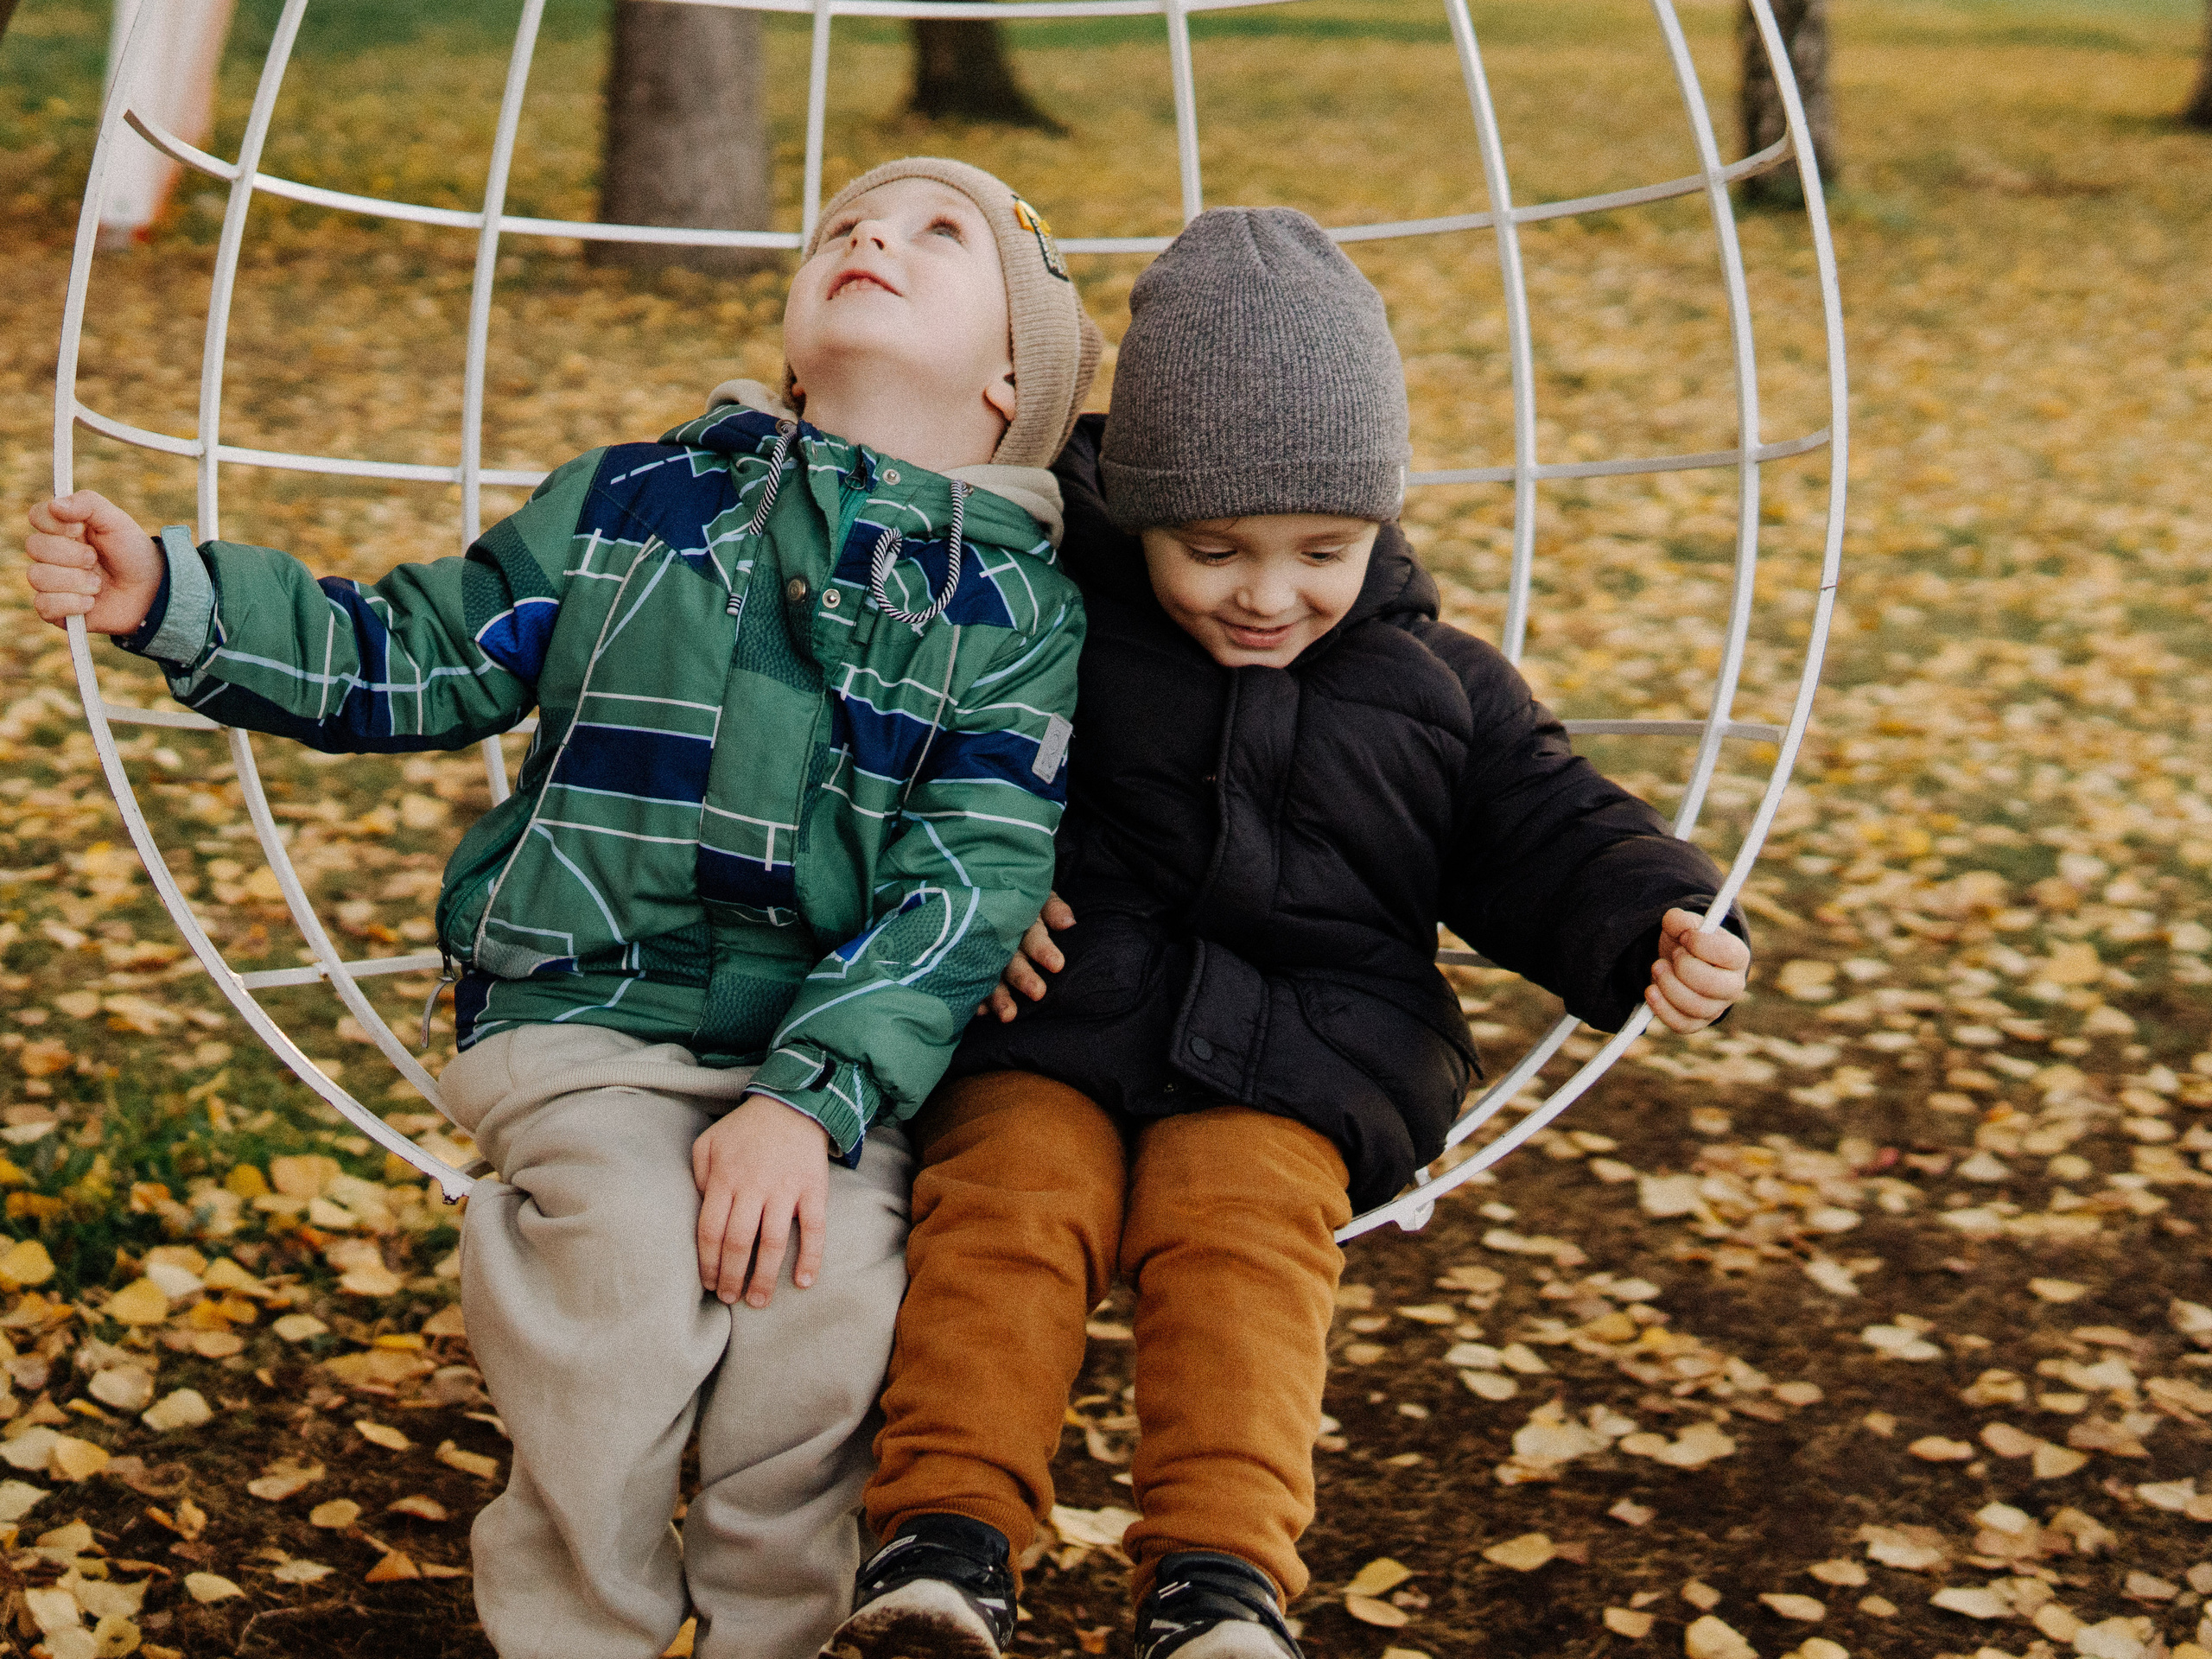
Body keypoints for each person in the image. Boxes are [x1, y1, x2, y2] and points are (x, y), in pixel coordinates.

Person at [24, 156, 1102, 1659]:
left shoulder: (1020, 614)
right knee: (622, 1270)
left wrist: (812, 1100)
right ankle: (576, 1627)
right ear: (795, 338)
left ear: (1012, 382)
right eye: (847, 226)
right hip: (584, 1016)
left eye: (940, 236)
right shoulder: (632, 501)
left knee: (835, 1305)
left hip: (824, 1062)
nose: (872, 236)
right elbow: (416, 650)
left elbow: (968, 880)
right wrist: (178, 599)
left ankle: (786, 1639)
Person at [821, 207, 1752, 1659]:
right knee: (1006, 1209)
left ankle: (1217, 1579)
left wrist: (1657, 917)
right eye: (1214, 550)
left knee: (1245, 1238)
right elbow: (902, 758)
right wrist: (962, 906)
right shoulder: (1047, 617)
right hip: (1051, 1013)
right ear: (1137, 513)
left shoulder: (1436, 687)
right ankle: (943, 1544)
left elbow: (1550, 824)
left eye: (1323, 548)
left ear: (1382, 520)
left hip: (1308, 1049)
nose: (1267, 594)